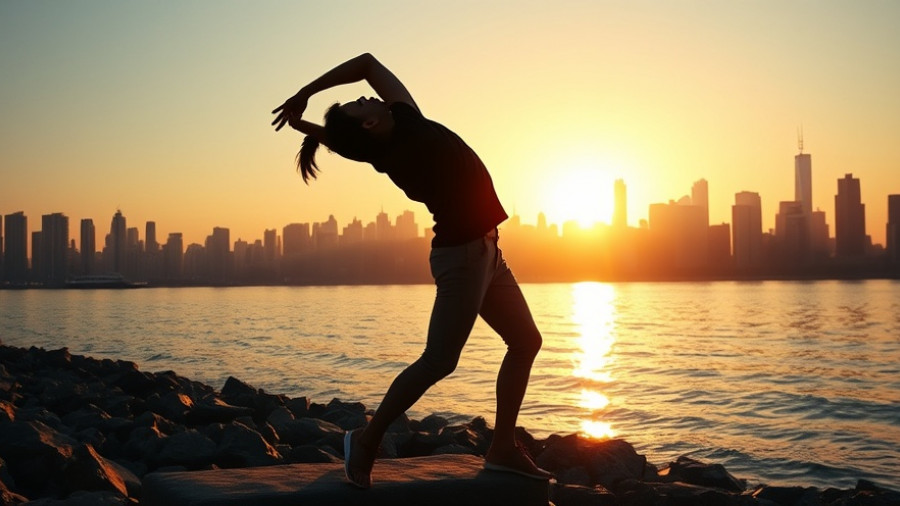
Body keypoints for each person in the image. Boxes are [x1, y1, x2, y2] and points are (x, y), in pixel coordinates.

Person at [271, 53, 551, 489]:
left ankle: (502, 449)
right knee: (439, 360)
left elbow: (366, 65)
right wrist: (308, 100)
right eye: (358, 104)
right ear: (368, 124)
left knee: (525, 341)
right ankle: (365, 440)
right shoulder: (401, 147)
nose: (366, 96)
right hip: (463, 256)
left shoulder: (396, 125)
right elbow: (365, 72)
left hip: (488, 253)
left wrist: (306, 108)